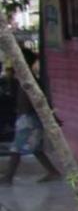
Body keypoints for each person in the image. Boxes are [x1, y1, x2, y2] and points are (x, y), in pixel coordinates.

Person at [2, 49, 59, 185]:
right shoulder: (21, 77)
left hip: (29, 118)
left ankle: (8, 177)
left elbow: (40, 99)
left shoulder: (30, 79)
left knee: (16, 148)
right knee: (35, 148)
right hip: (26, 117)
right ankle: (52, 171)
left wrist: (51, 116)